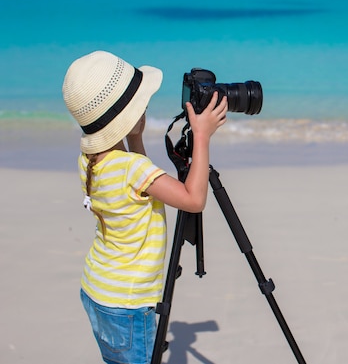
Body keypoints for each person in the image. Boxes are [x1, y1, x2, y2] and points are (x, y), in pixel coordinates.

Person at [62, 50, 227, 364]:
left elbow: (137, 175)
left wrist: (134, 136)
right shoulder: (132, 170)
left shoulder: (92, 161)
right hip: (127, 303)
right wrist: (202, 137)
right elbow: (193, 199)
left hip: (97, 290)